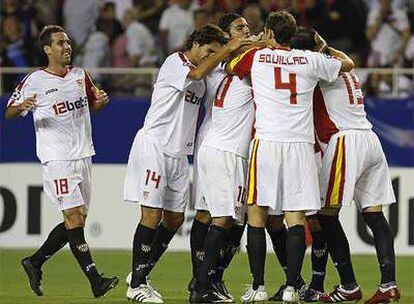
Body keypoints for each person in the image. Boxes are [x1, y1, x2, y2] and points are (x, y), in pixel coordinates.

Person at [227, 10, 354, 303]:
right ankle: (291, 288)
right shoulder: (310, 60)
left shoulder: (257, 57)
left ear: (270, 33)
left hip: (267, 143)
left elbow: (231, 64)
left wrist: (258, 43)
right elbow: (346, 66)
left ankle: (258, 287)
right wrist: (323, 46)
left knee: (256, 214)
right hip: (299, 146)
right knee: (296, 218)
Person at [123, 24, 248, 303]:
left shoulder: (203, 78)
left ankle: (139, 274)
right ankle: (137, 285)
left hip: (179, 153)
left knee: (175, 219)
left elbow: (208, 73)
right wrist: (226, 49)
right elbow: (197, 72)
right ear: (197, 43)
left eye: (214, 53)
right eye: (209, 51)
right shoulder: (175, 62)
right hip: (155, 145)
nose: (210, 57)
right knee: (151, 216)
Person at [5, 25, 118, 298]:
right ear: (47, 49)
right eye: (59, 43)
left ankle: (35, 261)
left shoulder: (81, 75)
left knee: (76, 221)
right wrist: (21, 107)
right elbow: (9, 112)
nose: (66, 46)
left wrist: (100, 101)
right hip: (57, 159)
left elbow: (94, 102)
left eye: (67, 41)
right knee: (74, 216)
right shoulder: (34, 81)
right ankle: (95, 280)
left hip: (83, 155)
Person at [291, 26, 400, 304]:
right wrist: (322, 44)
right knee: (375, 216)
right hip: (370, 139)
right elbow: (343, 58)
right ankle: (389, 284)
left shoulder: (318, 67)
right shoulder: (345, 67)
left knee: (326, 215)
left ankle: (349, 285)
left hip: (346, 141)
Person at [189, 13, 254, 303]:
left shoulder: (226, 66)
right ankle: (203, 283)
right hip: (223, 148)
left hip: (224, 148)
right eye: (239, 28)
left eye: (247, 27)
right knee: (221, 217)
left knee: (224, 217)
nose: (247, 30)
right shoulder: (219, 68)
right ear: (228, 37)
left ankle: (208, 279)